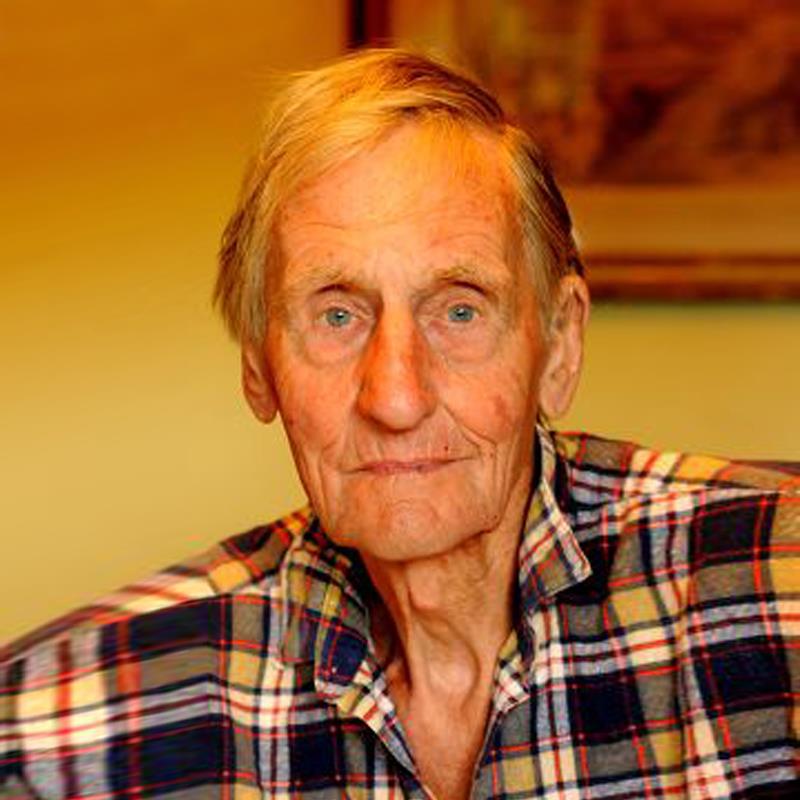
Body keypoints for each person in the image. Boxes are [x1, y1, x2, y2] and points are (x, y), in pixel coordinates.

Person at [1, 48, 798, 800]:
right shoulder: (77, 710)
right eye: (337, 315)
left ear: (559, 345)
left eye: (459, 310)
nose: (395, 397)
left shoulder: (775, 583)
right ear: (258, 367)